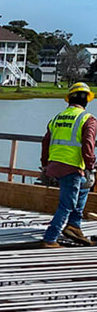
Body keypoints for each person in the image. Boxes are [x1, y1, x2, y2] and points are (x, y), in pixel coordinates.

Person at [40, 81, 96, 247]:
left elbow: (45, 142)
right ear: (87, 100)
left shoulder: (57, 118)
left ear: (69, 100)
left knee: (83, 188)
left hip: (54, 165)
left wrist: (44, 165)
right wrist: (90, 167)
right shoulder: (88, 119)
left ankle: (74, 226)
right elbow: (88, 145)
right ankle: (50, 238)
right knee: (67, 204)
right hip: (71, 167)